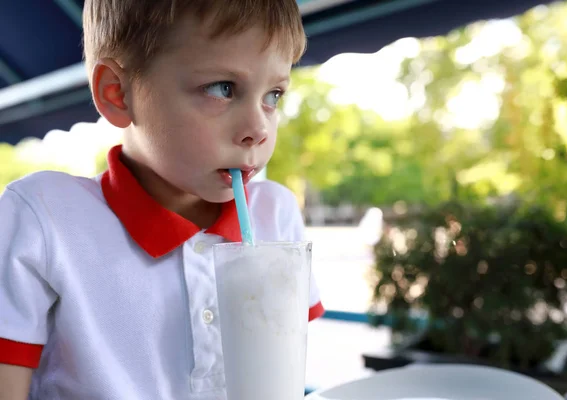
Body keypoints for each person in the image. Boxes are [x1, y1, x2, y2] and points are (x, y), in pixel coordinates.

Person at [0, 1, 324, 398]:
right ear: (118, 93)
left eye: (273, 95)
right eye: (222, 89)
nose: (258, 128)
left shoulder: (276, 213)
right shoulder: (43, 220)